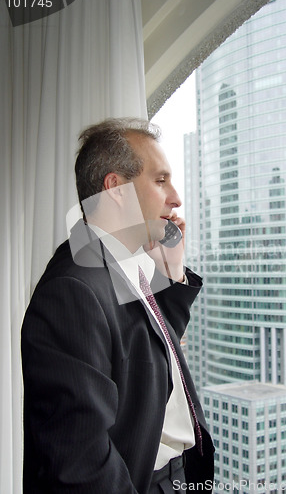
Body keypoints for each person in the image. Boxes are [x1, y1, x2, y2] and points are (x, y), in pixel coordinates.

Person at [21, 117, 214, 493]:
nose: (176, 198)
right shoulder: (72, 290)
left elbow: (144, 353)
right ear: (116, 188)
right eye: (160, 180)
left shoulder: (124, 265)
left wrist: (173, 274)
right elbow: (81, 462)